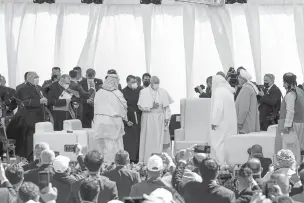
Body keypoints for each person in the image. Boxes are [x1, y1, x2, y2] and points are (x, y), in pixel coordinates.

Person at [93, 73, 128, 163]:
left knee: (100, 145)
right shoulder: (117, 93)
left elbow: (95, 107)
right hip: (112, 122)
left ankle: (99, 163)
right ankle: (112, 163)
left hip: (100, 122)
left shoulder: (99, 92)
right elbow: (123, 107)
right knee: (113, 145)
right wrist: (125, 118)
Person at [138, 76, 173, 162]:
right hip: (148, 118)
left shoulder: (163, 92)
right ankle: (146, 160)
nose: (156, 85)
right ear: (151, 83)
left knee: (158, 140)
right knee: (147, 139)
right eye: (155, 83)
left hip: (160, 118)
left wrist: (167, 118)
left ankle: (157, 160)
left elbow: (167, 107)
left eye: (158, 83)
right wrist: (150, 107)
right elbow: (140, 106)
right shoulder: (144, 92)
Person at [14, 72, 46, 160]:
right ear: (29, 78)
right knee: (30, 138)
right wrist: (39, 102)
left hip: (40, 116)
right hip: (29, 117)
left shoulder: (39, 87)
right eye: (35, 77)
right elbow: (25, 102)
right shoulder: (23, 89)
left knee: (39, 137)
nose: (37, 79)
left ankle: (39, 156)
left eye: (38, 77)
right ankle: (30, 156)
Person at [275, 73, 304, 161]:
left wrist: (287, 126)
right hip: (299, 124)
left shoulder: (291, 94)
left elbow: (290, 111)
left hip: (292, 126)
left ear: (287, 83)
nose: (283, 85)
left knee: (290, 151)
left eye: (284, 82)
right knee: (299, 149)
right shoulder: (300, 91)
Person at [210, 75, 237, 164]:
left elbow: (218, 108)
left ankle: (219, 164)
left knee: (218, 143)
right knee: (227, 143)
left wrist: (214, 121)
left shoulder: (218, 91)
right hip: (229, 123)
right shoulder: (228, 91)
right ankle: (227, 164)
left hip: (220, 123)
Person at [122, 75, 141, 162]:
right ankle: (130, 159)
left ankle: (138, 158)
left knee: (138, 140)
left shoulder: (139, 90)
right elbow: (122, 108)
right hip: (129, 119)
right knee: (130, 142)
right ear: (128, 82)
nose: (135, 84)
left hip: (139, 118)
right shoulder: (123, 92)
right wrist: (126, 121)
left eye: (135, 82)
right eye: (132, 82)